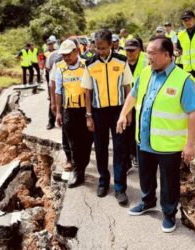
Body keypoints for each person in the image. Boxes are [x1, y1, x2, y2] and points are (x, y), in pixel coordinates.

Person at [117, 36, 195, 233]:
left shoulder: (183, 79)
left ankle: (169, 214)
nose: (148, 56)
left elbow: (193, 112)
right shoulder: (146, 72)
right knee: (145, 176)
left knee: (169, 182)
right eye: (148, 52)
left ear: (167, 55)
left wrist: (190, 144)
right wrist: (123, 114)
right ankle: (147, 202)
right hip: (144, 138)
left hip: (169, 144)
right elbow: (133, 94)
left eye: (153, 53)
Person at [81, 29, 133, 205]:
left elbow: (128, 88)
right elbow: (87, 92)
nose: (100, 51)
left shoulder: (122, 61)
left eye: (103, 48)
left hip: (118, 111)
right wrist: (88, 116)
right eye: (97, 48)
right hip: (98, 112)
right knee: (101, 148)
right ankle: (103, 182)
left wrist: (128, 112)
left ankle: (120, 188)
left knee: (120, 149)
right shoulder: (90, 64)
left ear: (111, 45)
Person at [55, 40, 93, 188]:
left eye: (68, 54)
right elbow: (58, 91)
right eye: (63, 55)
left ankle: (82, 165)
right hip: (69, 110)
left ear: (76, 51)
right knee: (74, 143)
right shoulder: (60, 68)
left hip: (86, 110)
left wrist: (90, 114)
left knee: (87, 141)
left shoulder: (86, 65)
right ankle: (78, 172)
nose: (66, 58)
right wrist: (58, 112)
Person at [124, 38, 149, 169]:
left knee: (139, 129)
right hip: (126, 102)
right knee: (127, 130)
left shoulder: (146, 62)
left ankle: (139, 155)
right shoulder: (122, 62)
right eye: (127, 51)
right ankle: (130, 156)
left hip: (141, 102)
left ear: (139, 50)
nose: (130, 53)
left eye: (133, 51)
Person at [45, 37, 58, 130]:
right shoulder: (52, 55)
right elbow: (48, 68)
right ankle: (51, 122)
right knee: (52, 102)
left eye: (53, 43)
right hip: (53, 81)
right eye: (50, 44)